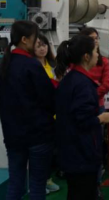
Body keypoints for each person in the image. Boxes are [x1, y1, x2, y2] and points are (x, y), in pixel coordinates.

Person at [0, 21, 55, 200]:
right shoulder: (32, 65)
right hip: (37, 135)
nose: (37, 42)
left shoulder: (3, 66)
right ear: (24, 40)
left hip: (13, 136)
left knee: (15, 185)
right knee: (37, 186)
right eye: (35, 38)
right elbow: (49, 98)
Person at [55, 34, 109, 199]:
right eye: (95, 51)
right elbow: (82, 120)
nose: (97, 55)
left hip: (71, 151)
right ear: (86, 56)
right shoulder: (83, 85)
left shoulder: (71, 79)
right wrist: (101, 119)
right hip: (82, 153)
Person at [34, 34, 61, 195]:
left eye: (44, 45)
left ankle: (48, 179)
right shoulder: (32, 66)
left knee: (52, 151)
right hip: (40, 115)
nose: (42, 48)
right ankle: (39, 183)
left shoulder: (52, 65)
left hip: (55, 114)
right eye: (38, 46)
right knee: (40, 153)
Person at [79, 27, 109, 110]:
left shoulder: (104, 61)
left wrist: (91, 95)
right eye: (92, 38)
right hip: (80, 103)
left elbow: (106, 85)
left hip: (97, 104)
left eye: (96, 38)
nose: (95, 41)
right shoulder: (77, 61)